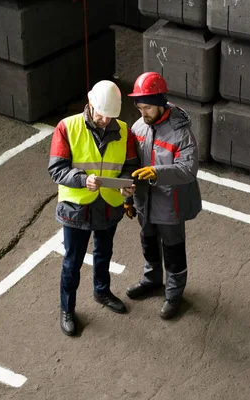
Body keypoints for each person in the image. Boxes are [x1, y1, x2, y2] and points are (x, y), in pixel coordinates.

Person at [48, 80, 138, 336]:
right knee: (72, 262)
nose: (105, 121)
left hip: (109, 206)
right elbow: (56, 169)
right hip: (76, 207)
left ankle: (102, 291)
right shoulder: (67, 127)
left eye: (110, 116)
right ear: (90, 105)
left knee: (104, 253)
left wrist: (127, 186)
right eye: (101, 115)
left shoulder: (123, 130)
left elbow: (130, 166)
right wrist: (81, 180)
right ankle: (67, 309)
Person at [124, 72, 202, 319]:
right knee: (148, 243)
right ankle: (152, 280)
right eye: (139, 108)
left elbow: (188, 170)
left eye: (147, 107)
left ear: (160, 103)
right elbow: (130, 165)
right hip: (144, 202)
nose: (142, 113)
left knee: (173, 249)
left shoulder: (181, 133)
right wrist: (128, 198)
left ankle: (174, 293)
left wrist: (156, 173)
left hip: (170, 205)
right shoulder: (138, 127)